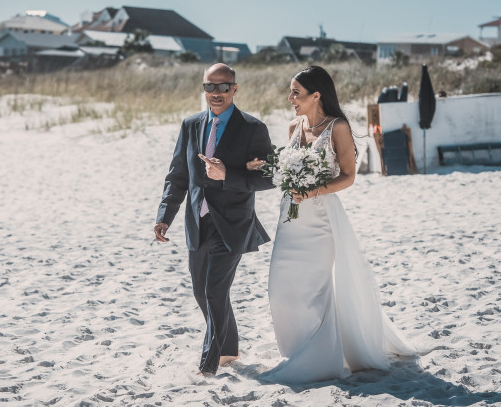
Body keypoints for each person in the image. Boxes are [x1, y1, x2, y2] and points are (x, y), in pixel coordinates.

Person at [247, 66, 415, 383]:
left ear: (316, 95)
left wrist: (312, 191)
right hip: (290, 218)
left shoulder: (338, 127)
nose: (290, 98)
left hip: (320, 218)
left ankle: (321, 354)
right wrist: (278, 175)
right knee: (282, 287)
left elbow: (348, 177)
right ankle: (298, 347)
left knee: (315, 287)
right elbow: (286, 168)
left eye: (296, 92)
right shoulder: (294, 126)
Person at [154, 63, 274, 376]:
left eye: (223, 86)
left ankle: (209, 365)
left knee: (214, 292)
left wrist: (227, 174)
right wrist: (165, 215)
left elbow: (268, 177)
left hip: (233, 223)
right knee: (201, 292)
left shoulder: (253, 128)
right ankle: (230, 348)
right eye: (210, 86)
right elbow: (178, 175)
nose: (216, 93)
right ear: (204, 88)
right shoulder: (190, 124)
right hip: (198, 222)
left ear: (235, 88)